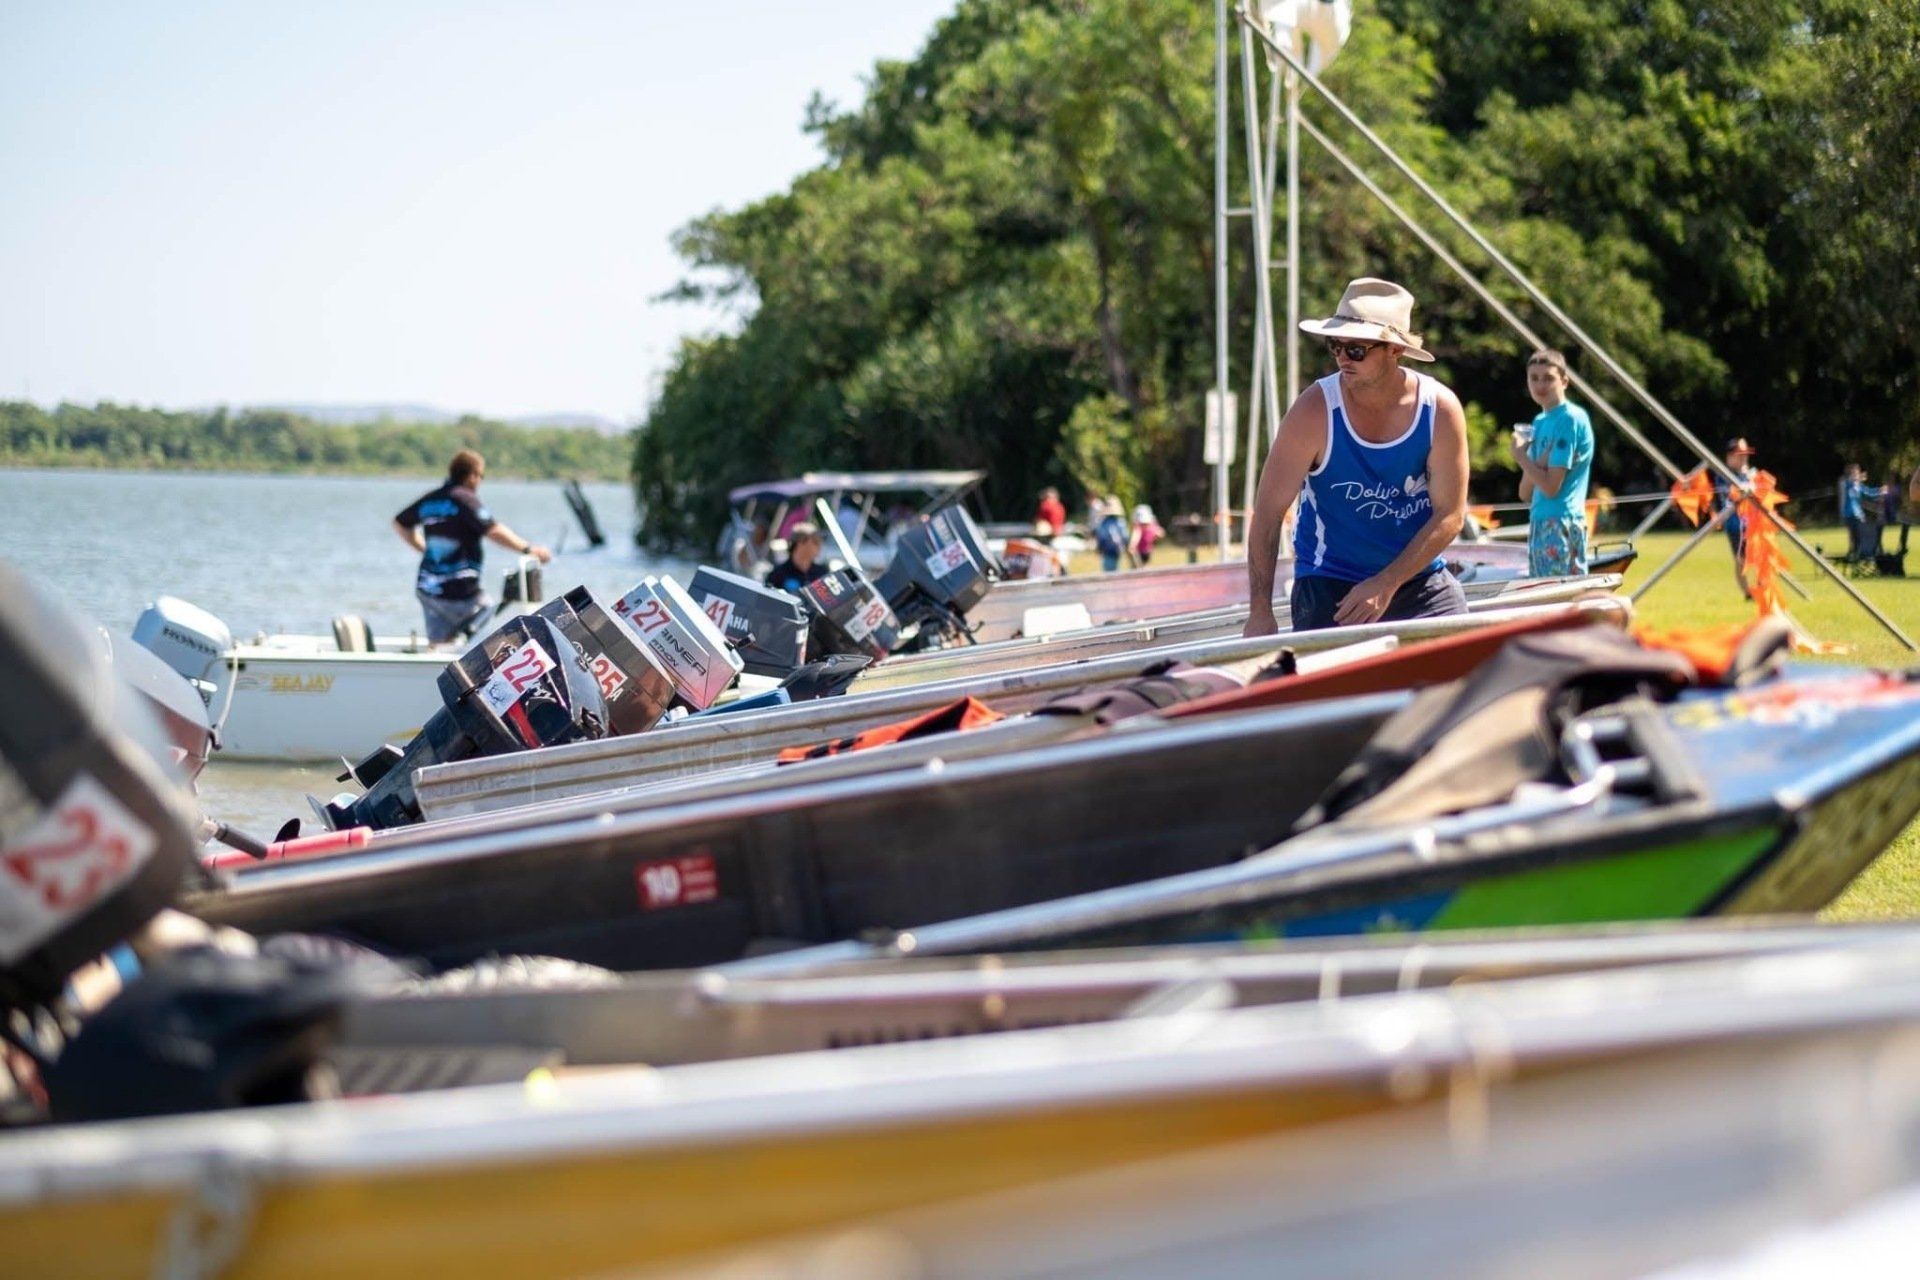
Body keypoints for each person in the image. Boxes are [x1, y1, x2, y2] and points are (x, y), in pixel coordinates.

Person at [1243, 277, 1469, 635]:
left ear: (1395, 349)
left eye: (1356, 350)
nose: (1342, 359)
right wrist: (1260, 612)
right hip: (1330, 578)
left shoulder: (1439, 410)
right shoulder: (1313, 411)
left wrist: (1387, 582)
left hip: (1416, 576)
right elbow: (1268, 514)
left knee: (1465, 651)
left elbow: (1451, 515)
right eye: (1335, 346)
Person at [392, 448, 551, 645]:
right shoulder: (464, 499)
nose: (480, 481)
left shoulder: (431, 499)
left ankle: (440, 654)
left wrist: (424, 550)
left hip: (428, 588)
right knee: (493, 626)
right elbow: (493, 530)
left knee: (441, 644)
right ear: (472, 475)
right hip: (459, 591)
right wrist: (529, 549)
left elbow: (400, 523)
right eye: (481, 476)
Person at [1509, 348, 1594, 577]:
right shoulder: (1539, 421)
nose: (1540, 385)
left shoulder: (1570, 419)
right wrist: (1530, 459)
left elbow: (1550, 487)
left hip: (1562, 521)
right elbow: (1525, 493)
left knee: (1561, 594)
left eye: (1548, 378)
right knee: (1542, 593)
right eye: (1534, 378)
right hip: (1539, 521)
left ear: (1564, 381)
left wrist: (1521, 457)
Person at [1701, 438, 1757, 598]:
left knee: (1758, 555)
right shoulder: (1724, 476)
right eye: (1740, 455)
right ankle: (1747, 592)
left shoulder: (1749, 473)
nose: (1744, 458)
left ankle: (1761, 586)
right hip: (1734, 525)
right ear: (1730, 457)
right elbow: (1729, 494)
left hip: (1752, 523)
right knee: (1741, 559)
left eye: (1745, 454)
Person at [1839, 463, 1884, 565]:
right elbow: (1848, 482)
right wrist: (1858, 479)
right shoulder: (1846, 484)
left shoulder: (1859, 486)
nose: (1855, 475)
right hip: (1849, 515)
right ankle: (1854, 553)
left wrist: (1880, 491)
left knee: (1860, 536)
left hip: (1859, 516)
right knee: (1853, 536)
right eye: (1853, 473)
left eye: (1857, 473)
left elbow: (1869, 492)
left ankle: (1861, 554)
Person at [765, 522, 829, 594]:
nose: (820, 546)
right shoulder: (778, 574)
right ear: (800, 543)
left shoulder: (822, 574)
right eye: (815, 542)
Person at [1093, 497, 1130, 572]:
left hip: (1107, 551)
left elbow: (1101, 537)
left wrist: (1099, 548)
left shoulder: (1103, 523)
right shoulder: (1120, 521)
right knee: (1117, 569)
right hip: (1118, 550)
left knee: (1108, 570)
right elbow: (1125, 536)